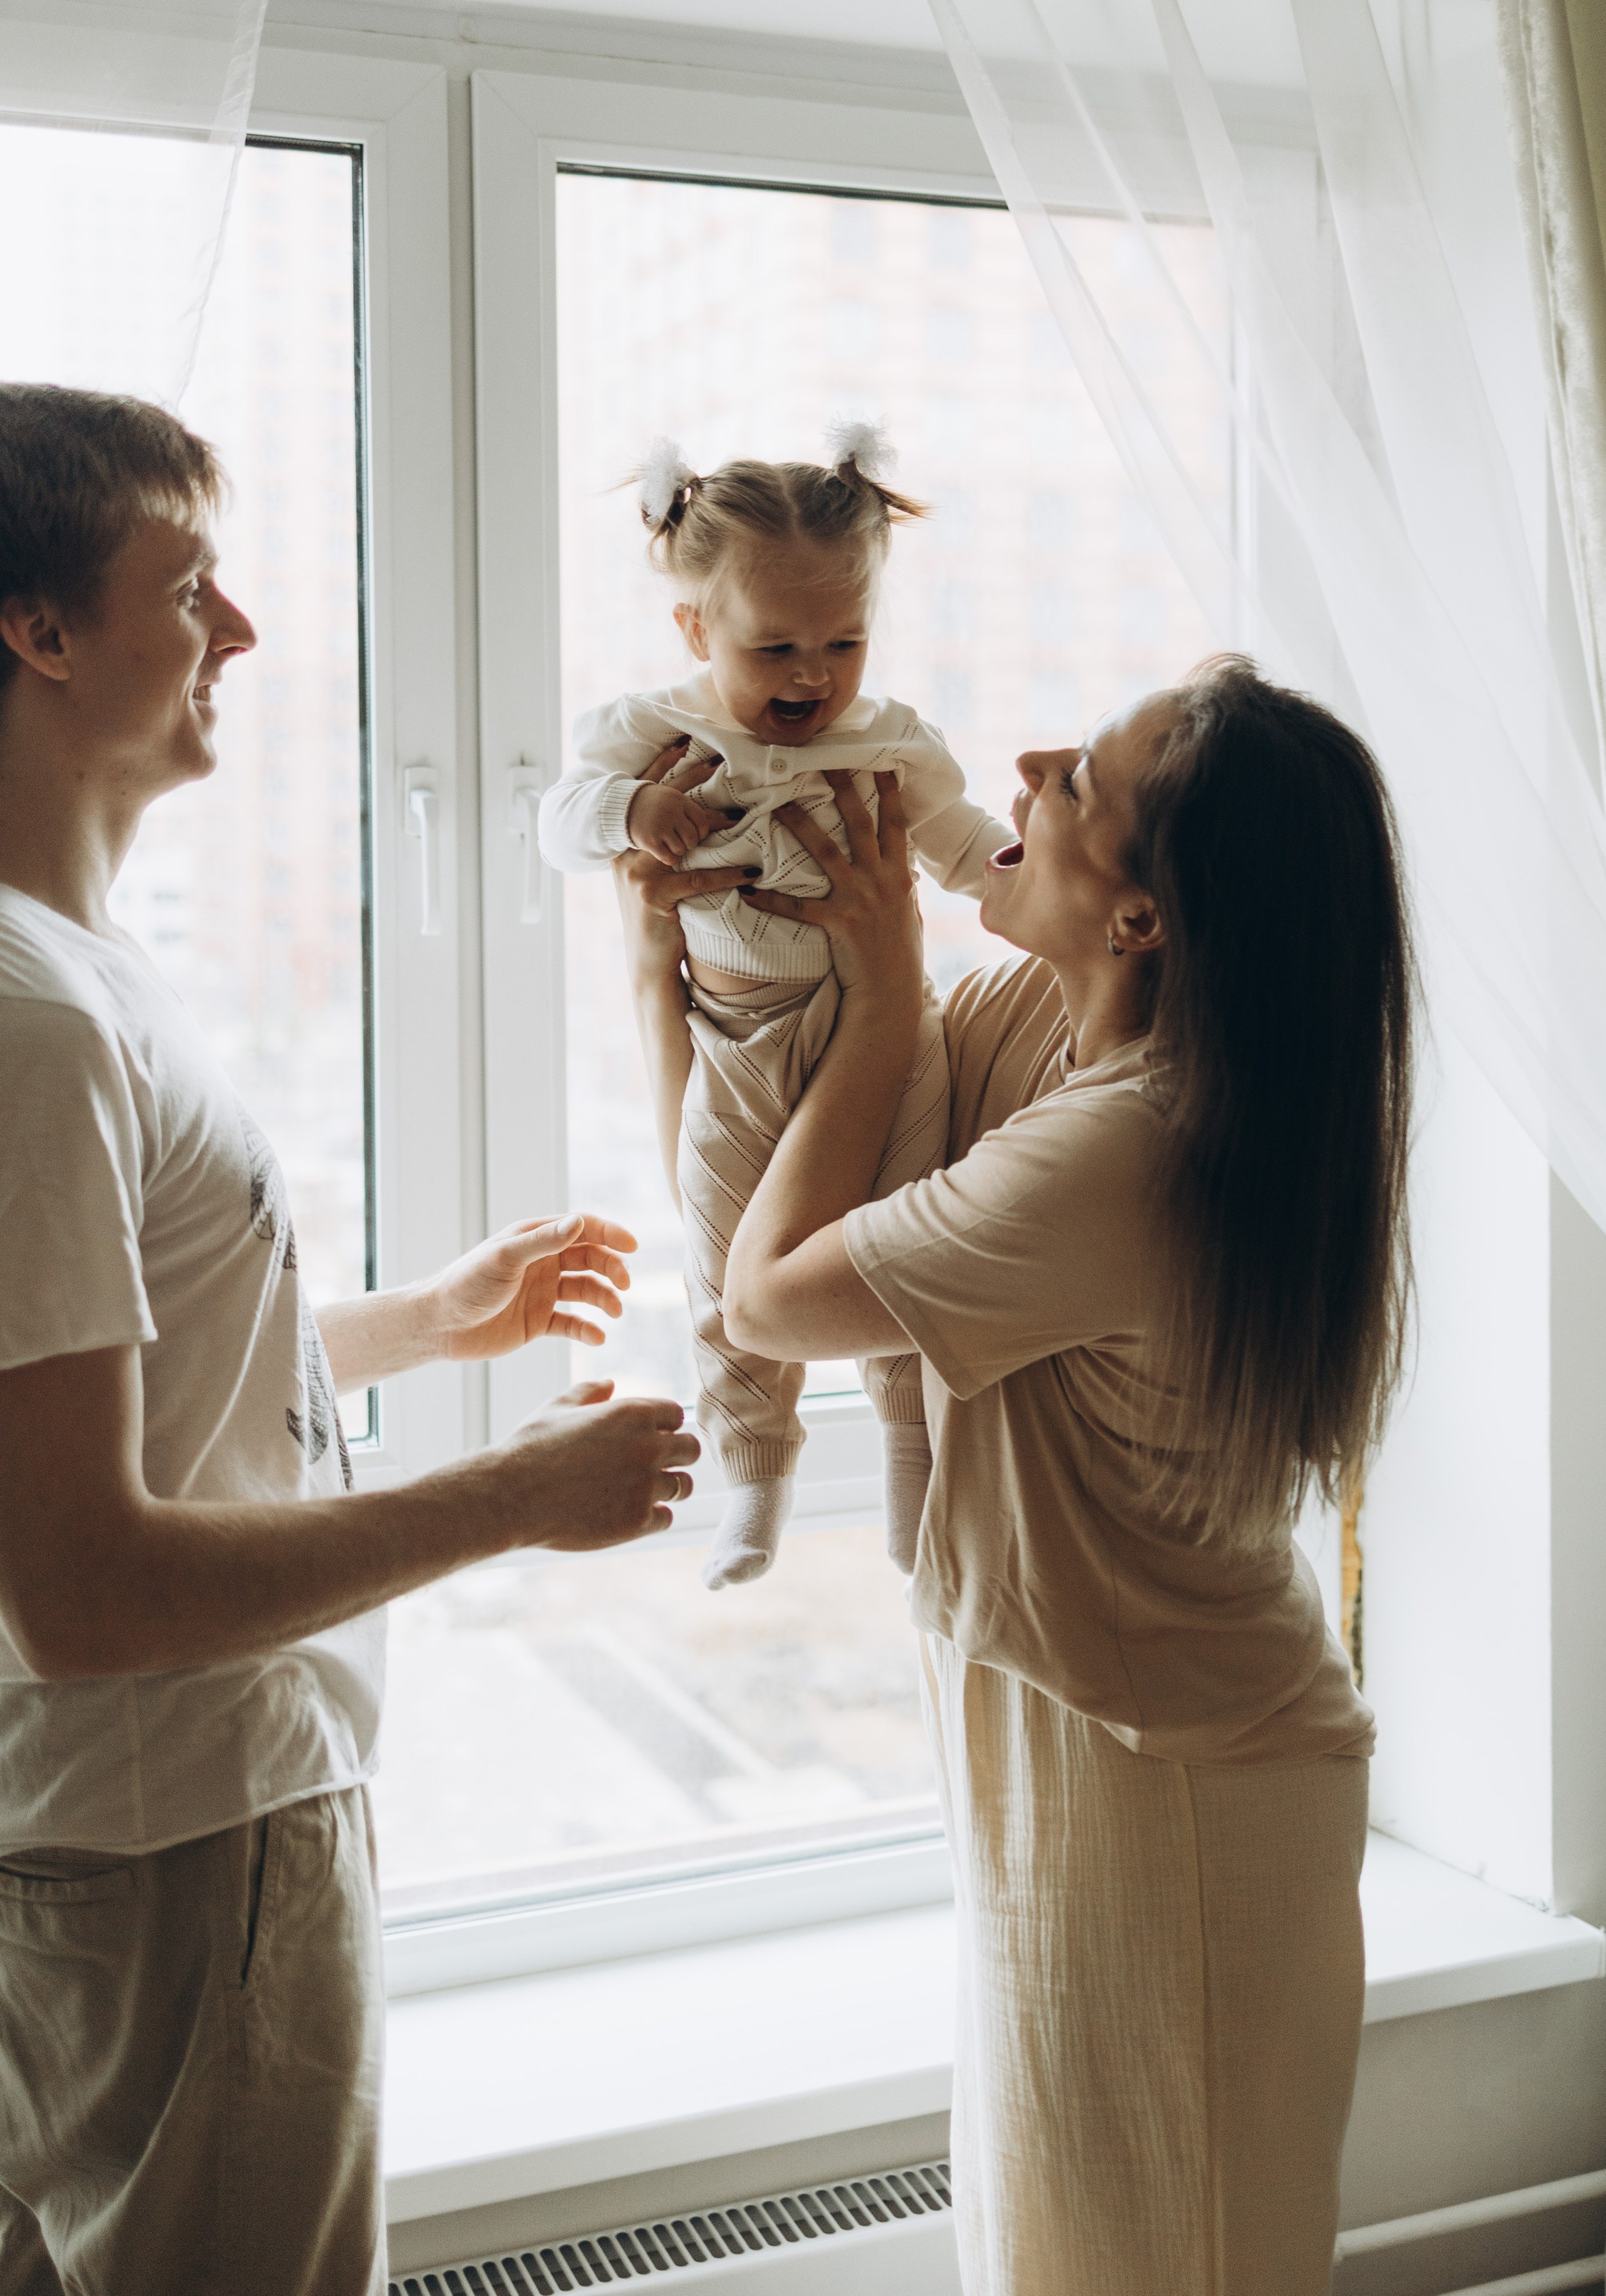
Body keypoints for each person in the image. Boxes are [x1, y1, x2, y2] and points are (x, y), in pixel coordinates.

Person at [0, 384, 708, 2296]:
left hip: (177, 1832)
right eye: (193, 585)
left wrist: (418, 1322)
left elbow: (103, 1387)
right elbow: (81, 1583)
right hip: (181, 1850)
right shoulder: (33, 1026)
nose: (239, 632)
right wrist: (514, 1496)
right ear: (39, 634)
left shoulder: (81, 978)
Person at [620, 657, 1412, 2295]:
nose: (1028, 765)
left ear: (1142, 922)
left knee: (1145, 2258)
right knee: (1068, 2241)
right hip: (1103, 1730)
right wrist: (677, 952)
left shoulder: (1128, 1145)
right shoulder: (1063, 1042)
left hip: (1167, 1784)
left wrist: (891, 993)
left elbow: (766, 1301)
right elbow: (776, 1142)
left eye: (1082, 784)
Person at [539, 423, 1011, 1590]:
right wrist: (632, 821)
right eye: (778, 647)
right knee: (721, 1259)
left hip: (894, 1035)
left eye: (844, 641)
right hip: (738, 1039)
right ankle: (753, 1467)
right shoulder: (657, 733)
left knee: (896, 1239)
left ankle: (909, 1449)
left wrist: (1016, 875)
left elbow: (960, 842)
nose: (813, 673)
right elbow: (561, 820)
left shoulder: (890, 738)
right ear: (697, 631)